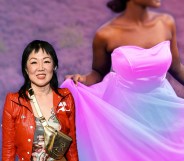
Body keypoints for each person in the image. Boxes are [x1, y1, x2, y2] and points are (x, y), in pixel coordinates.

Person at [61, 0, 184, 160]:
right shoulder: (106, 34)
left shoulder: (166, 23)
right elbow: (98, 72)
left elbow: (176, 67)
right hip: (125, 113)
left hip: (162, 109)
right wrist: (83, 79)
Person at [2, 40, 79, 161]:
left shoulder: (66, 97)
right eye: (34, 62)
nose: (41, 68)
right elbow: (8, 149)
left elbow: (71, 146)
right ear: (26, 69)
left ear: (54, 66)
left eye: (46, 61)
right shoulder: (14, 101)